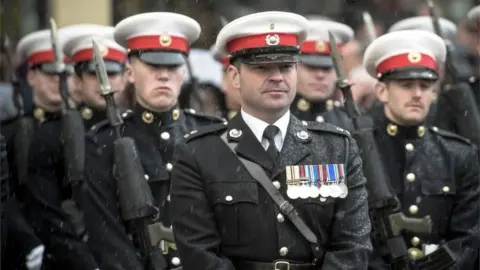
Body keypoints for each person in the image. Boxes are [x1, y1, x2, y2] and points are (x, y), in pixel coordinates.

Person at [170, 11, 372, 270]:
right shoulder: (198, 153)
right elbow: (198, 253)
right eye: (262, 67)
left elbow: (353, 245)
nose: (277, 76)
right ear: (234, 76)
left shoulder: (337, 147)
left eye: (286, 66)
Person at [81, 12, 224, 270]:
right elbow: (107, 238)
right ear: (129, 73)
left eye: (173, 66)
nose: (164, 75)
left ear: (184, 71)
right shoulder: (102, 142)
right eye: (153, 66)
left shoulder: (211, 134)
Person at [360, 30, 479, 269]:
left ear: (433, 93)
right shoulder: (358, 152)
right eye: (406, 85)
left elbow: (469, 237)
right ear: (382, 91)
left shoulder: (458, 154)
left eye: (425, 86)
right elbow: (348, 235)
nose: (417, 94)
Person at [9, 27, 100, 270]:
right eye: (48, 72)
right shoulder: (11, 132)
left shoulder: (87, 127)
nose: (57, 80)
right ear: (31, 76)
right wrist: (27, 239)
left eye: (64, 73)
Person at [62, 25, 129, 130]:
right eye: (94, 74)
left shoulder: (135, 128)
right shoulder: (62, 128)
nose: (103, 81)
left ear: (124, 79)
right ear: (77, 80)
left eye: (111, 73)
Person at [291, 18, 354, 123]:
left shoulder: (351, 121)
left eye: (327, 68)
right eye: (311, 67)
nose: (320, 75)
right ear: (292, 67)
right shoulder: (275, 117)